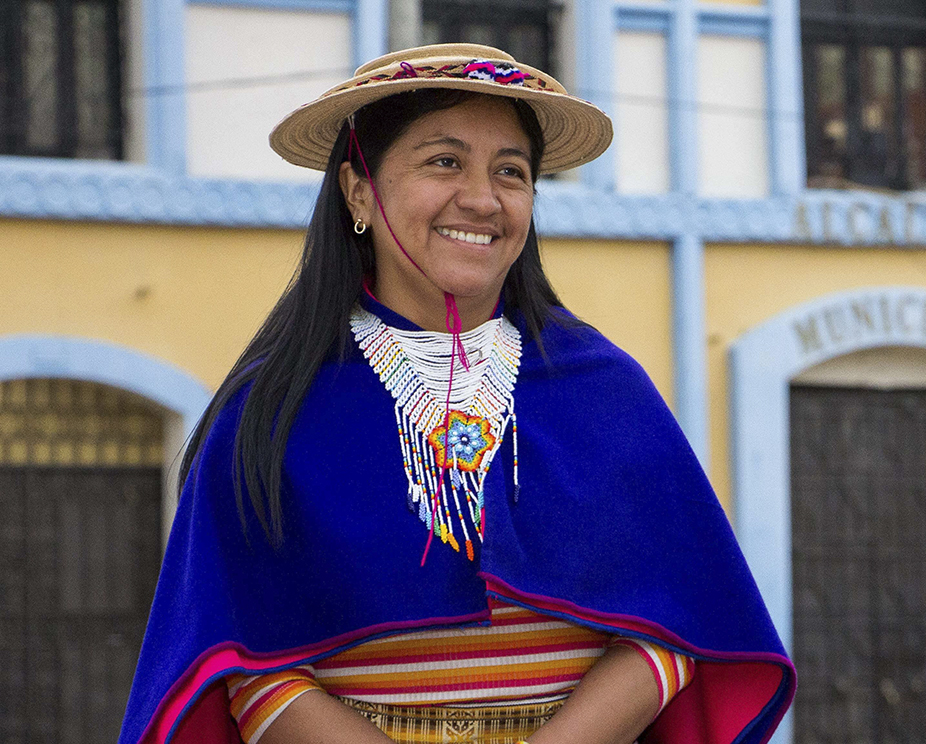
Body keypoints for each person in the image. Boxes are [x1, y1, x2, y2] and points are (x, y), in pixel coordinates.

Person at [118, 44, 794, 744]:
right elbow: (237, 657)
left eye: (512, 171)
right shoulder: (271, 412)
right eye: (444, 161)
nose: (482, 198)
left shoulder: (605, 392)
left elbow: (678, 615)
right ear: (358, 190)